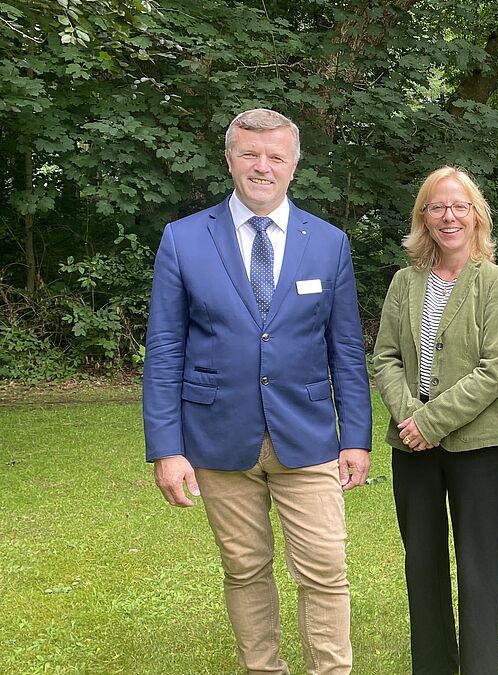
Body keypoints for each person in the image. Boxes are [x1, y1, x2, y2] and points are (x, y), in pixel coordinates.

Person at [142, 108, 372, 675]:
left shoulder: (330, 242)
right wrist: (165, 448)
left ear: (294, 165)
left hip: (310, 434)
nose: (261, 167)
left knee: (325, 568)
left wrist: (358, 436)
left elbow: (346, 348)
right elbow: (165, 349)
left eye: (275, 156)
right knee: (244, 568)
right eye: (249, 154)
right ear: (229, 160)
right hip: (218, 436)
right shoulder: (183, 239)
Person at [372, 166, 498, 675]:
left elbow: (496, 370)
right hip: (411, 447)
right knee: (423, 565)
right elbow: (386, 357)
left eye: (459, 206)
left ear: (476, 215)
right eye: (437, 206)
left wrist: (431, 421)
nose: (449, 216)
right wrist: (409, 418)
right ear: (424, 217)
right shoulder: (404, 282)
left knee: (480, 570)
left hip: (476, 448)